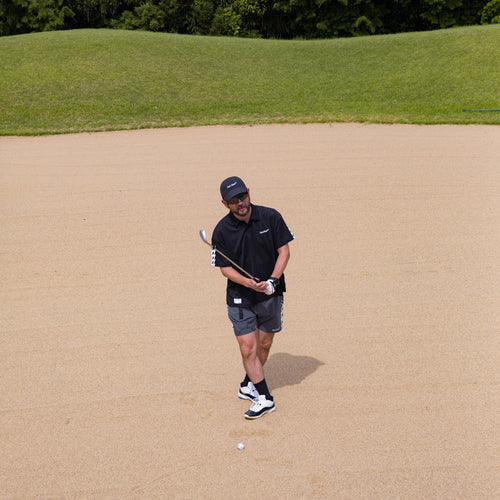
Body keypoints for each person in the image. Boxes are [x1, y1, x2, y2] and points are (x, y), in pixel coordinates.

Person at [211, 176, 294, 419]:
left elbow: (284, 250)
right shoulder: (221, 231)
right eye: (233, 200)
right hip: (240, 298)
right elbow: (225, 269)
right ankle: (265, 398)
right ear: (225, 204)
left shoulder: (271, 217)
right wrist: (249, 283)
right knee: (248, 348)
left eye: (242, 196)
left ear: (248, 192)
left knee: (264, 345)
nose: (240, 203)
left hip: (271, 293)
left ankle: (249, 384)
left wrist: (272, 280)